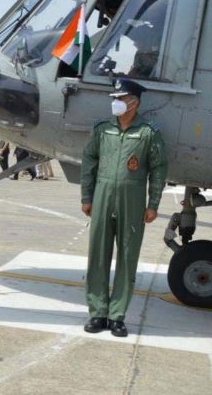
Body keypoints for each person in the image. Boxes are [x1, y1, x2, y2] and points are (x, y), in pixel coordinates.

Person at [81, 78, 167, 337]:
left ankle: (117, 315)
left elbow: (159, 168)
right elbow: (89, 161)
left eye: (120, 99)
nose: (115, 103)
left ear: (134, 102)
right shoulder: (102, 129)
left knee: (127, 258)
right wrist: (87, 196)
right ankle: (97, 313)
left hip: (133, 198)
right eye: (114, 99)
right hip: (103, 195)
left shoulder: (148, 132)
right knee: (98, 255)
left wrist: (153, 204)